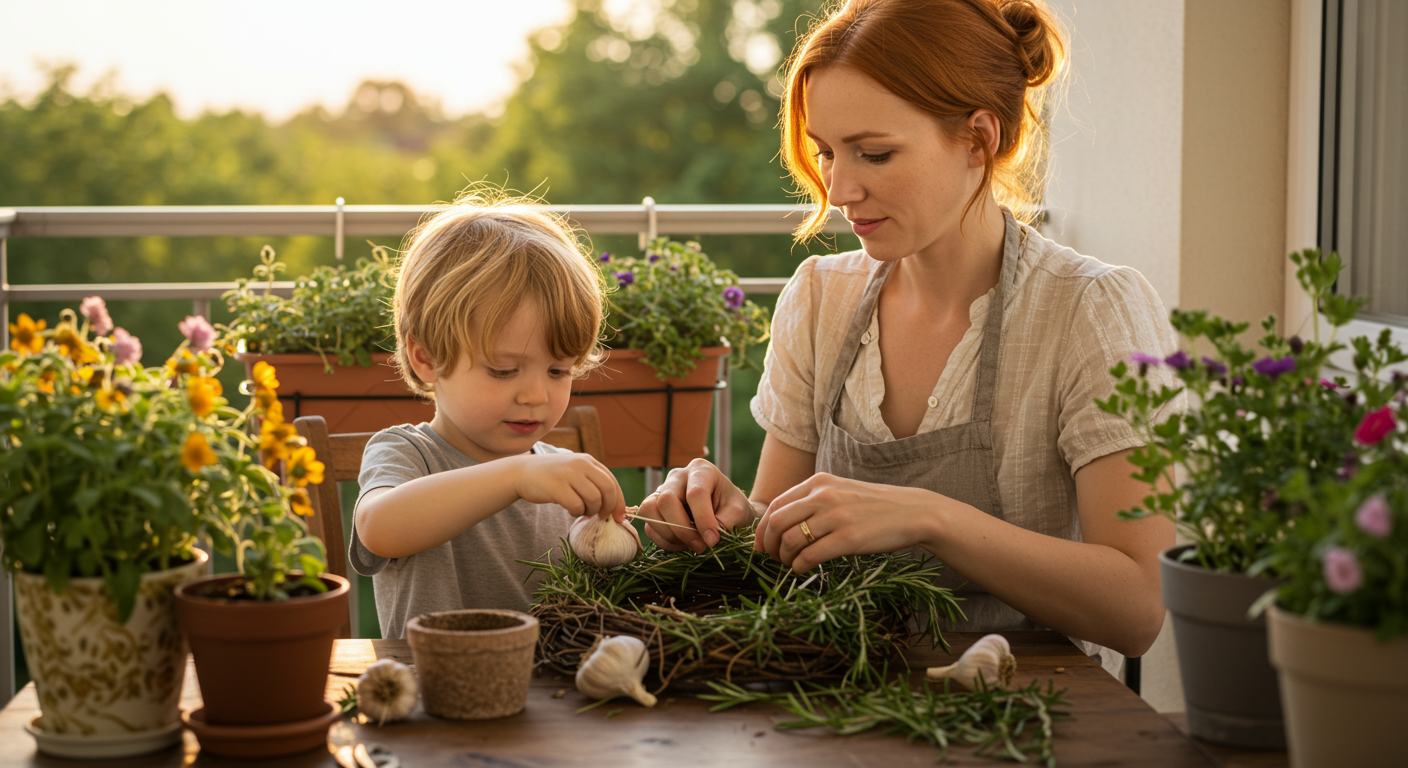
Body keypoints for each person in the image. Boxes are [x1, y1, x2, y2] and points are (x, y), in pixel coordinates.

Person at [636, 0, 1180, 665]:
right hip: (832, 695)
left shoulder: (1091, 309)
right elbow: (777, 546)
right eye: (827, 153)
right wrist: (721, 518)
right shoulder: (819, 299)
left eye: (875, 153)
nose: (839, 189)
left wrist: (931, 517)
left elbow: (1139, 607)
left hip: (1027, 716)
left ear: (979, 138)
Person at [349, 192, 627, 640]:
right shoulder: (408, 454)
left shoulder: (555, 476)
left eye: (559, 370)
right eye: (503, 370)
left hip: (551, 701)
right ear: (426, 359)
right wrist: (515, 476)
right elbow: (378, 529)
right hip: (436, 694)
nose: (536, 395)